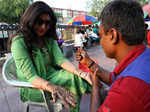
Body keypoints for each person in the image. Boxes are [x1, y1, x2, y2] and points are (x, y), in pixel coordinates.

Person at [7, 1, 91, 112]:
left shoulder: (47, 38)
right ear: (30, 21)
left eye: (47, 23)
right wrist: (53, 87)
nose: (44, 27)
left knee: (78, 77)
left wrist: (83, 73)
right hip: (32, 86)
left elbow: (60, 60)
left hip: (51, 75)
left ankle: (94, 92)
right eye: (40, 22)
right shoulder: (19, 42)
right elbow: (32, 77)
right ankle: (96, 93)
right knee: (74, 81)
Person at [76, 0, 150, 112]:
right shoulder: (143, 55)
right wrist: (88, 62)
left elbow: (122, 84)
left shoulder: (126, 91)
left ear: (112, 35)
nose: (100, 42)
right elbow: (113, 78)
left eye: (101, 36)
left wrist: (95, 89)